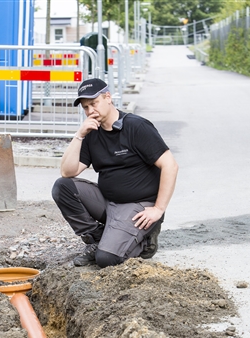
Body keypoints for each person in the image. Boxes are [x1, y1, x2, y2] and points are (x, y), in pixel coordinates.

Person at [52, 78, 179, 268]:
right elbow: (67, 171)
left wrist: (158, 209)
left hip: (138, 207)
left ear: (108, 97)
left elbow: (170, 166)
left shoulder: (136, 127)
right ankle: (98, 239)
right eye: (85, 107)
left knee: (107, 259)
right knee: (63, 187)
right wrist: (79, 135)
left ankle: (145, 239)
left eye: (94, 103)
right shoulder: (91, 131)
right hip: (108, 203)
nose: (90, 111)